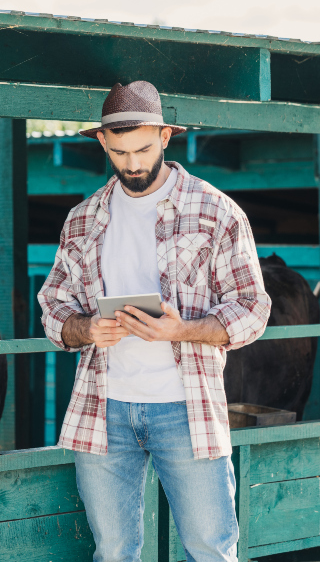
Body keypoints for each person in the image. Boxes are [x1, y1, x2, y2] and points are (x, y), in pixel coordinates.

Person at [37, 80, 272, 562]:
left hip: (187, 410)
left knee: (210, 550)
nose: (134, 164)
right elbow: (53, 306)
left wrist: (180, 329)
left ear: (167, 135)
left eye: (144, 148)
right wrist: (86, 330)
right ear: (103, 143)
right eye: (120, 151)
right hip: (103, 410)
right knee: (114, 551)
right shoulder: (82, 219)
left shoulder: (216, 212)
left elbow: (253, 308)